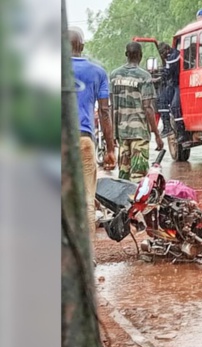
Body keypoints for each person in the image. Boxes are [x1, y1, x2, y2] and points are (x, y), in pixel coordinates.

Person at [69, 26, 116, 230]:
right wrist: (111, 149)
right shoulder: (98, 72)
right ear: (83, 46)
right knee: (88, 199)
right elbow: (105, 112)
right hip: (84, 140)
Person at [110, 42, 163, 181]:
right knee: (138, 176)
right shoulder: (144, 76)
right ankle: (136, 202)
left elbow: (111, 106)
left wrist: (112, 134)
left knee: (123, 175)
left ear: (126, 55)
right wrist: (156, 134)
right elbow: (147, 107)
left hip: (122, 133)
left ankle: (123, 202)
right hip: (139, 133)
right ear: (140, 55)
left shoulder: (114, 76)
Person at [156, 42, 179, 138]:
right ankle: (167, 126)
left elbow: (168, 72)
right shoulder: (171, 56)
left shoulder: (173, 56)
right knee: (161, 100)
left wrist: (158, 79)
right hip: (173, 83)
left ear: (167, 49)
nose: (162, 55)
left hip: (179, 83)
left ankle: (179, 129)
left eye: (162, 53)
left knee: (174, 106)